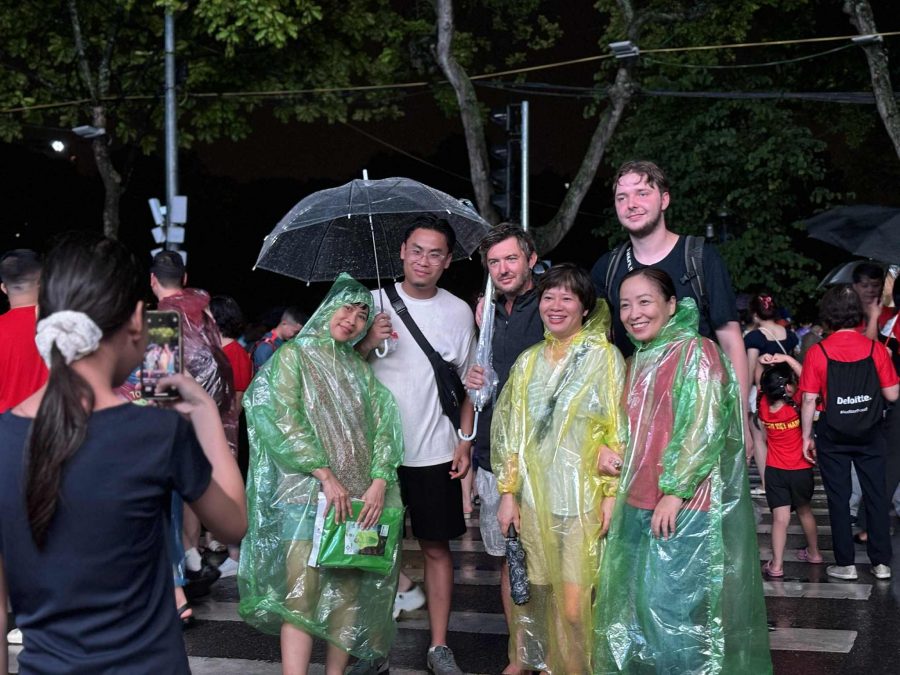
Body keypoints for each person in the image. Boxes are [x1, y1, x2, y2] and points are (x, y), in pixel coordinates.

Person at [0, 233, 245, 674]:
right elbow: (234, 524)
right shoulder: (156, 432)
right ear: (138, 320)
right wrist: (204, 408)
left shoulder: (4, 438)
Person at [594, 267, 771, 674]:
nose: (633, 313)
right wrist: (609, 453)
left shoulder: (696, 351)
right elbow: (630, 431)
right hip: (637, 504)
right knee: (641, 619)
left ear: (671, 305)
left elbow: (702, 428)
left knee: (676, 623)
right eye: (625, 304)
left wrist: (675, 491)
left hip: (684, 508)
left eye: (644, 301)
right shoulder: (637, 359)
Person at [239, 273, 404, 675]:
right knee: (302, 593)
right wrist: (324, 475)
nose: (352, 318)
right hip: (305, 493)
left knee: (349, 592)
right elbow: (281, 418)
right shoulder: (294, 355)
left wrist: (380, 480)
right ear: (328, 307)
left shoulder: (358, 368)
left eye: (362, 313)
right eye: (346, 307)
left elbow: (383, 427)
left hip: (360, 498)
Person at [490, 263, 625, 674]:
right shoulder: (528, 362)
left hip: (581, 502)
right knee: (537, 596)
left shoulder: (604, 358)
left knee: (573, 606)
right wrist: (508, 494)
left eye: (568, 297)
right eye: (549, 296)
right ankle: (542, 664)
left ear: (585, 308)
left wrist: (610, 495)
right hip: (533, 500)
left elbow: (617, 429)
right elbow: (511, 433)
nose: (556, 305)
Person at [357, 215, 476, 675]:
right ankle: (371, 648)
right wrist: (369, 340)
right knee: (370, 552)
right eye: (417, 250)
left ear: (447, 261)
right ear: (402, 252)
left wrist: (464, 442)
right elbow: (340, 372)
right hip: (375, 461)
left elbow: (467, 387)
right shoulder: (370, 303)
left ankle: (439, 646)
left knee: (436, 549)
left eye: (435, 253)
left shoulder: (458, 312)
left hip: (435, 453)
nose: (424, 260)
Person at [590, 160, 750, 408]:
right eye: (621, 198)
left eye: (642, 194)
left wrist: (741, 421)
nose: (631, 204)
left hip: (699, 413)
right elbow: (598, 346)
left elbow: (730, 339)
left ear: (664, 200)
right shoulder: (607, 268)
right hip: (633, 416)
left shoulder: (700, 258)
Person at [463, 224, 545, 675]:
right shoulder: (487, 312)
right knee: (510, 559)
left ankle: (551, 653)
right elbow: (481, 379)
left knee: (551, 559)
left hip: (546, 457)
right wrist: (475, 379)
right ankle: (519, 654)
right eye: (493, 263)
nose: (502, 269)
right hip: (495, 453)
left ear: (531, 259)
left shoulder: (553, 301)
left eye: (510, 259)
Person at [150, 251, 235, 602]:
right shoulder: (207, 315)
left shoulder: (160, 319)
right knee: (197, 488)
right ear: (184, 279)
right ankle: (193, 560)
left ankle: (185, 570)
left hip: (175, 420)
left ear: (152, 281)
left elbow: (161, 380)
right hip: (212, 417)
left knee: (175, 496)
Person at [799, 284, 899, 580]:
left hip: (833, 433)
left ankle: (846, 565)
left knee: (839, 498)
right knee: (876, 495)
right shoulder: (876, 349)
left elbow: (808, 399)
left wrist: (806, 436)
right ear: (857, 313)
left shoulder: (818, 352)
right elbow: (892, 395)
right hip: (870, 432)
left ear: (828, 316)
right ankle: (881, 564)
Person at [756, 355, 822, 577]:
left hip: (776, 471)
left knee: (780, 520)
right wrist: (785, 358)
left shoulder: (763, 405)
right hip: (800, 470)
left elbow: (762, 383)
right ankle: (814, 553)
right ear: (787, 387)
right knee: (805, 512)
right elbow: (808, 378)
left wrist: (767, 369)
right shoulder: (798, 405)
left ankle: (776, 565)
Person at [210, 295, 255, 578]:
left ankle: (236, 555)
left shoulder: (235, 355)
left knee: (227, 491)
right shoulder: (220, 352)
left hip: (226, 435)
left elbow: (236, 405)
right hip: (218, 433)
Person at [744, 292, 800, 495]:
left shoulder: (754, 337)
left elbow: (750, 369)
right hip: (787, 390)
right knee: (786, 435)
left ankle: (768, 484)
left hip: (764, 392)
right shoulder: (789, 335)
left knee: (759, 438)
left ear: (755, 314)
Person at [0, 250, 48, 412]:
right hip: (55, 428)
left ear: (4, 288)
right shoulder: (66, 325)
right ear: (43, 282)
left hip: (6, 431)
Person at [251, 306, 305, 372]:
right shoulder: (266, 347)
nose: (296, 335)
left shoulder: (284, 342)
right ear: (284, 323)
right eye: (295, 332)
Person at [852, 262, 892, 340]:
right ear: (855, 286)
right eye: (864, 285)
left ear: (882, 286)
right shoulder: (845, 314)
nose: (870, 290)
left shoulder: (892, 316)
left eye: (875, 285)